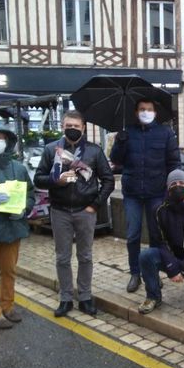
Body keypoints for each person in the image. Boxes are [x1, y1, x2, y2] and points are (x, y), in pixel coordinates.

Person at [35, 111, 114, 317]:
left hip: (85, 211)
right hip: (60, 211)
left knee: (85, 256)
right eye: (69, 125)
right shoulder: (52, 149)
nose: (72, 129)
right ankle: (66, 298)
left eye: (76, 126)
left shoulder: (94, 151)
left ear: (83, 128)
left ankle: (85, 297)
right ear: (63, 126)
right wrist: (56, 180)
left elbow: (108, 180)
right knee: (62, 257)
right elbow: (38, 179)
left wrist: (95, 205)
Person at [110, 98, 180, 293]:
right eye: (142, 109)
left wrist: (173, 187)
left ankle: (153, 273)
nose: (146, 112)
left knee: (156, 236)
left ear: (155, 113)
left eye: (149, 109)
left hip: (157, 192)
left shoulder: (165, 133)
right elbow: (115, 159)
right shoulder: (127, 133)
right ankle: (135, 273)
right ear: (136, 112)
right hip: (132, 192)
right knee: (132, 235)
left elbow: (174, 162)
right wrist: (120, 142)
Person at [137, 169, 184, 314]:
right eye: (173, 183)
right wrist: (172, 266)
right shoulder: (159, 210)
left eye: (182, 183)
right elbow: (160, 241)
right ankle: (153, 296)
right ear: (168, 188)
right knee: (146, 256)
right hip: (171, 255)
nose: (178, 186)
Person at [0, 125, 34, 329]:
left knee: (9, 270)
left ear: (8, 141)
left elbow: (30, 195)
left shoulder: (19, 167)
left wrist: (25, 209)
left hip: (13, 227)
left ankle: (8, 306)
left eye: (0, 138)